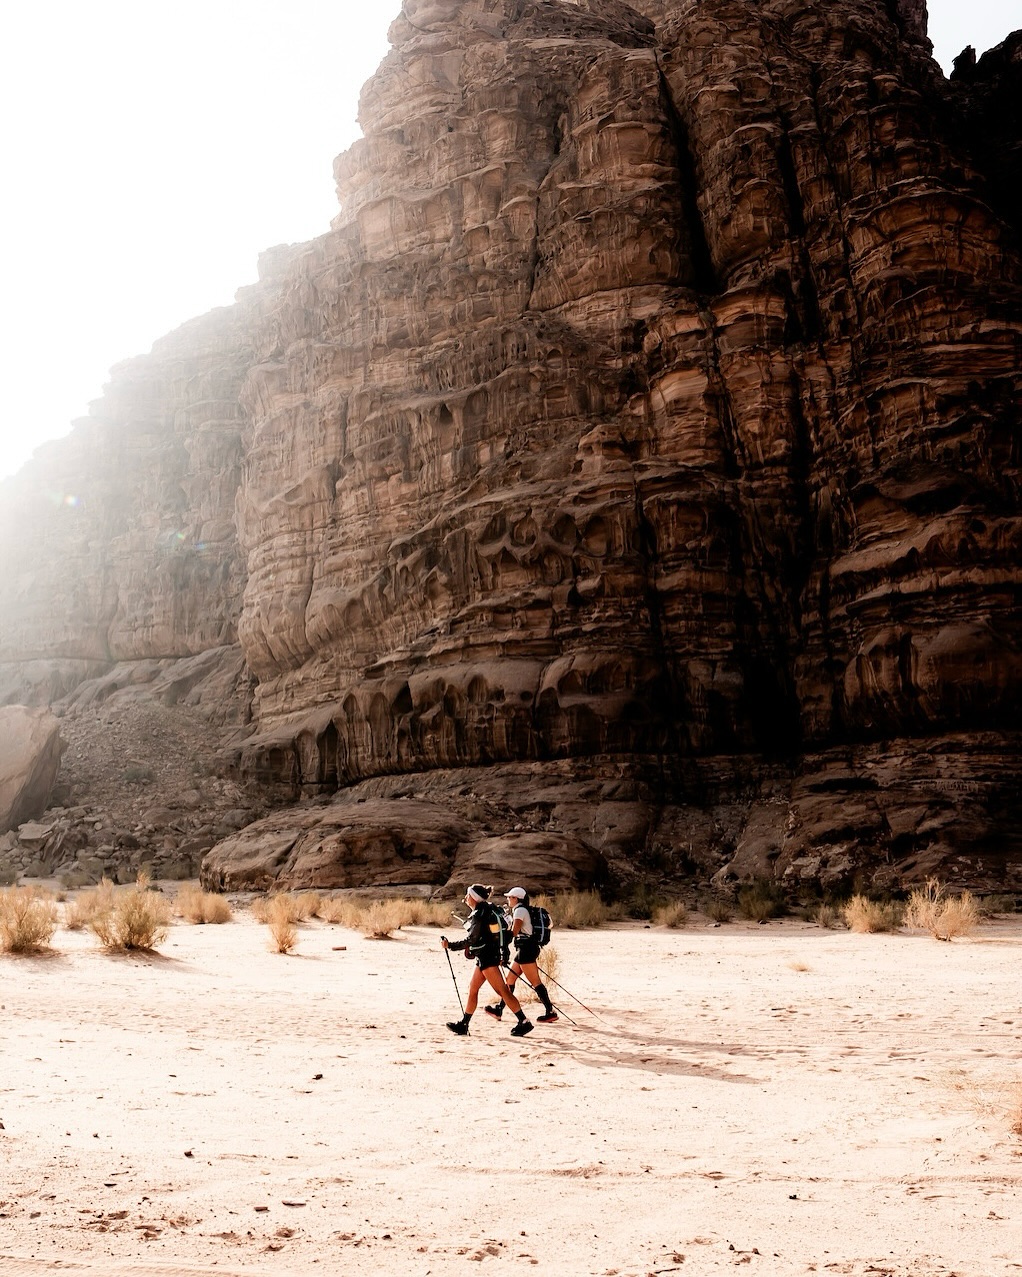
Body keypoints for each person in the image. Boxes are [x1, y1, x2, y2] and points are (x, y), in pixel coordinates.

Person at [441, 885, 534, 1037]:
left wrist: (450, 945)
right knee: (473, 988)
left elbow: (472, 939)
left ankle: (524, 1021)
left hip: (487, 958)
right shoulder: (487, 909)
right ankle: (464, 1024)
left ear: (474, 898)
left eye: (468, 895)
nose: (466, 898)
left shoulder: (479, 914)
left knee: (502, 991)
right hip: (486, 956)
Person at [485, 886, 557, 1024]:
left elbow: (514, 932)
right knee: (510, 980)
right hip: (526, 949)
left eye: (510, 897)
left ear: (516, 898)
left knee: (535, 982)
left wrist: (499, 936)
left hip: (526, 949)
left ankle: (550, 1011)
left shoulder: (520, 910)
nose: (508, 899)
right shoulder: (521, 910)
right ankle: (499, 1010)